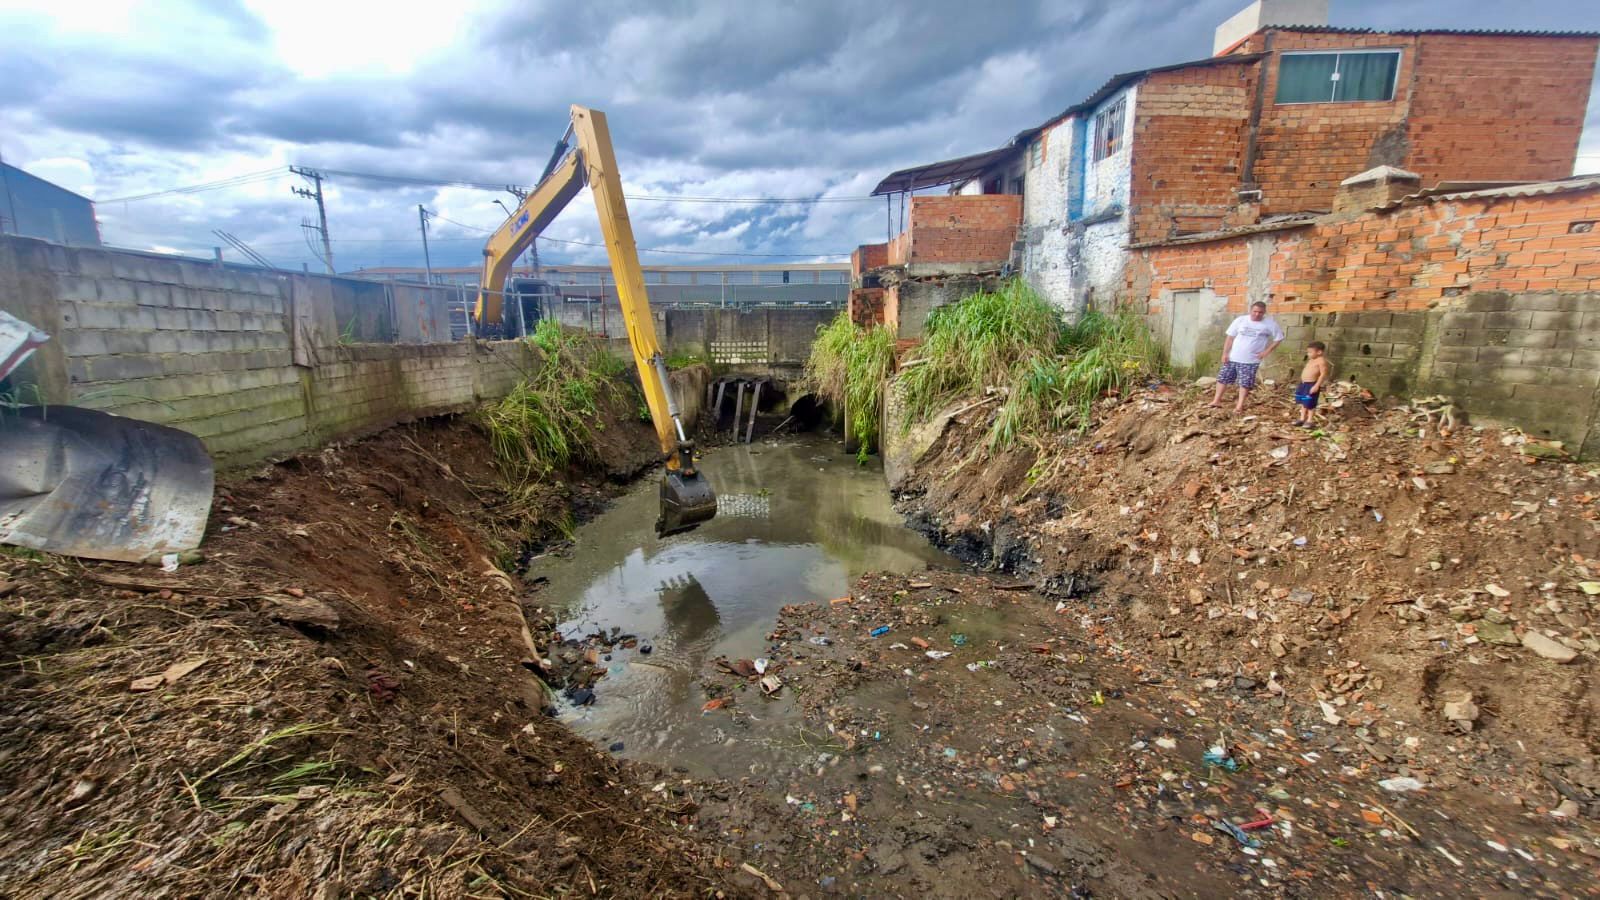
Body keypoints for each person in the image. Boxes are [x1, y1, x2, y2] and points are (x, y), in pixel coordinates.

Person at [1209, 301, 1284, 413]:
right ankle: (1216, 400)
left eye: (1260, 312)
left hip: (1250, 360)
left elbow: (1279, 338)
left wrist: (1266, 352)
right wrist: (1225, 353)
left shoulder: (1269, 324)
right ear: (1250, 310)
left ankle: (1239, 406)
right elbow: (1230, 338)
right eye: (1255, 311)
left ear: (1264, 312)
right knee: (1222, 378)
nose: (1257, 314)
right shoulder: (1240, 320)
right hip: (1233, 357)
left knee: (1244, 383)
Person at [1294, 341, 1330, 427]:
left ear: (1319, 352)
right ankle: (1302, 418)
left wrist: (1316, 385)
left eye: (1310, 352)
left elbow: (1323, 374)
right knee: (1303, 402)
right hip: (1304, 384)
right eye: (1308, 352)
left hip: (1312, 385)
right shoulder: (1311, 360)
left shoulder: (1321, 361)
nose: (1308, 354)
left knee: (1310, 403)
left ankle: (1310, 420)